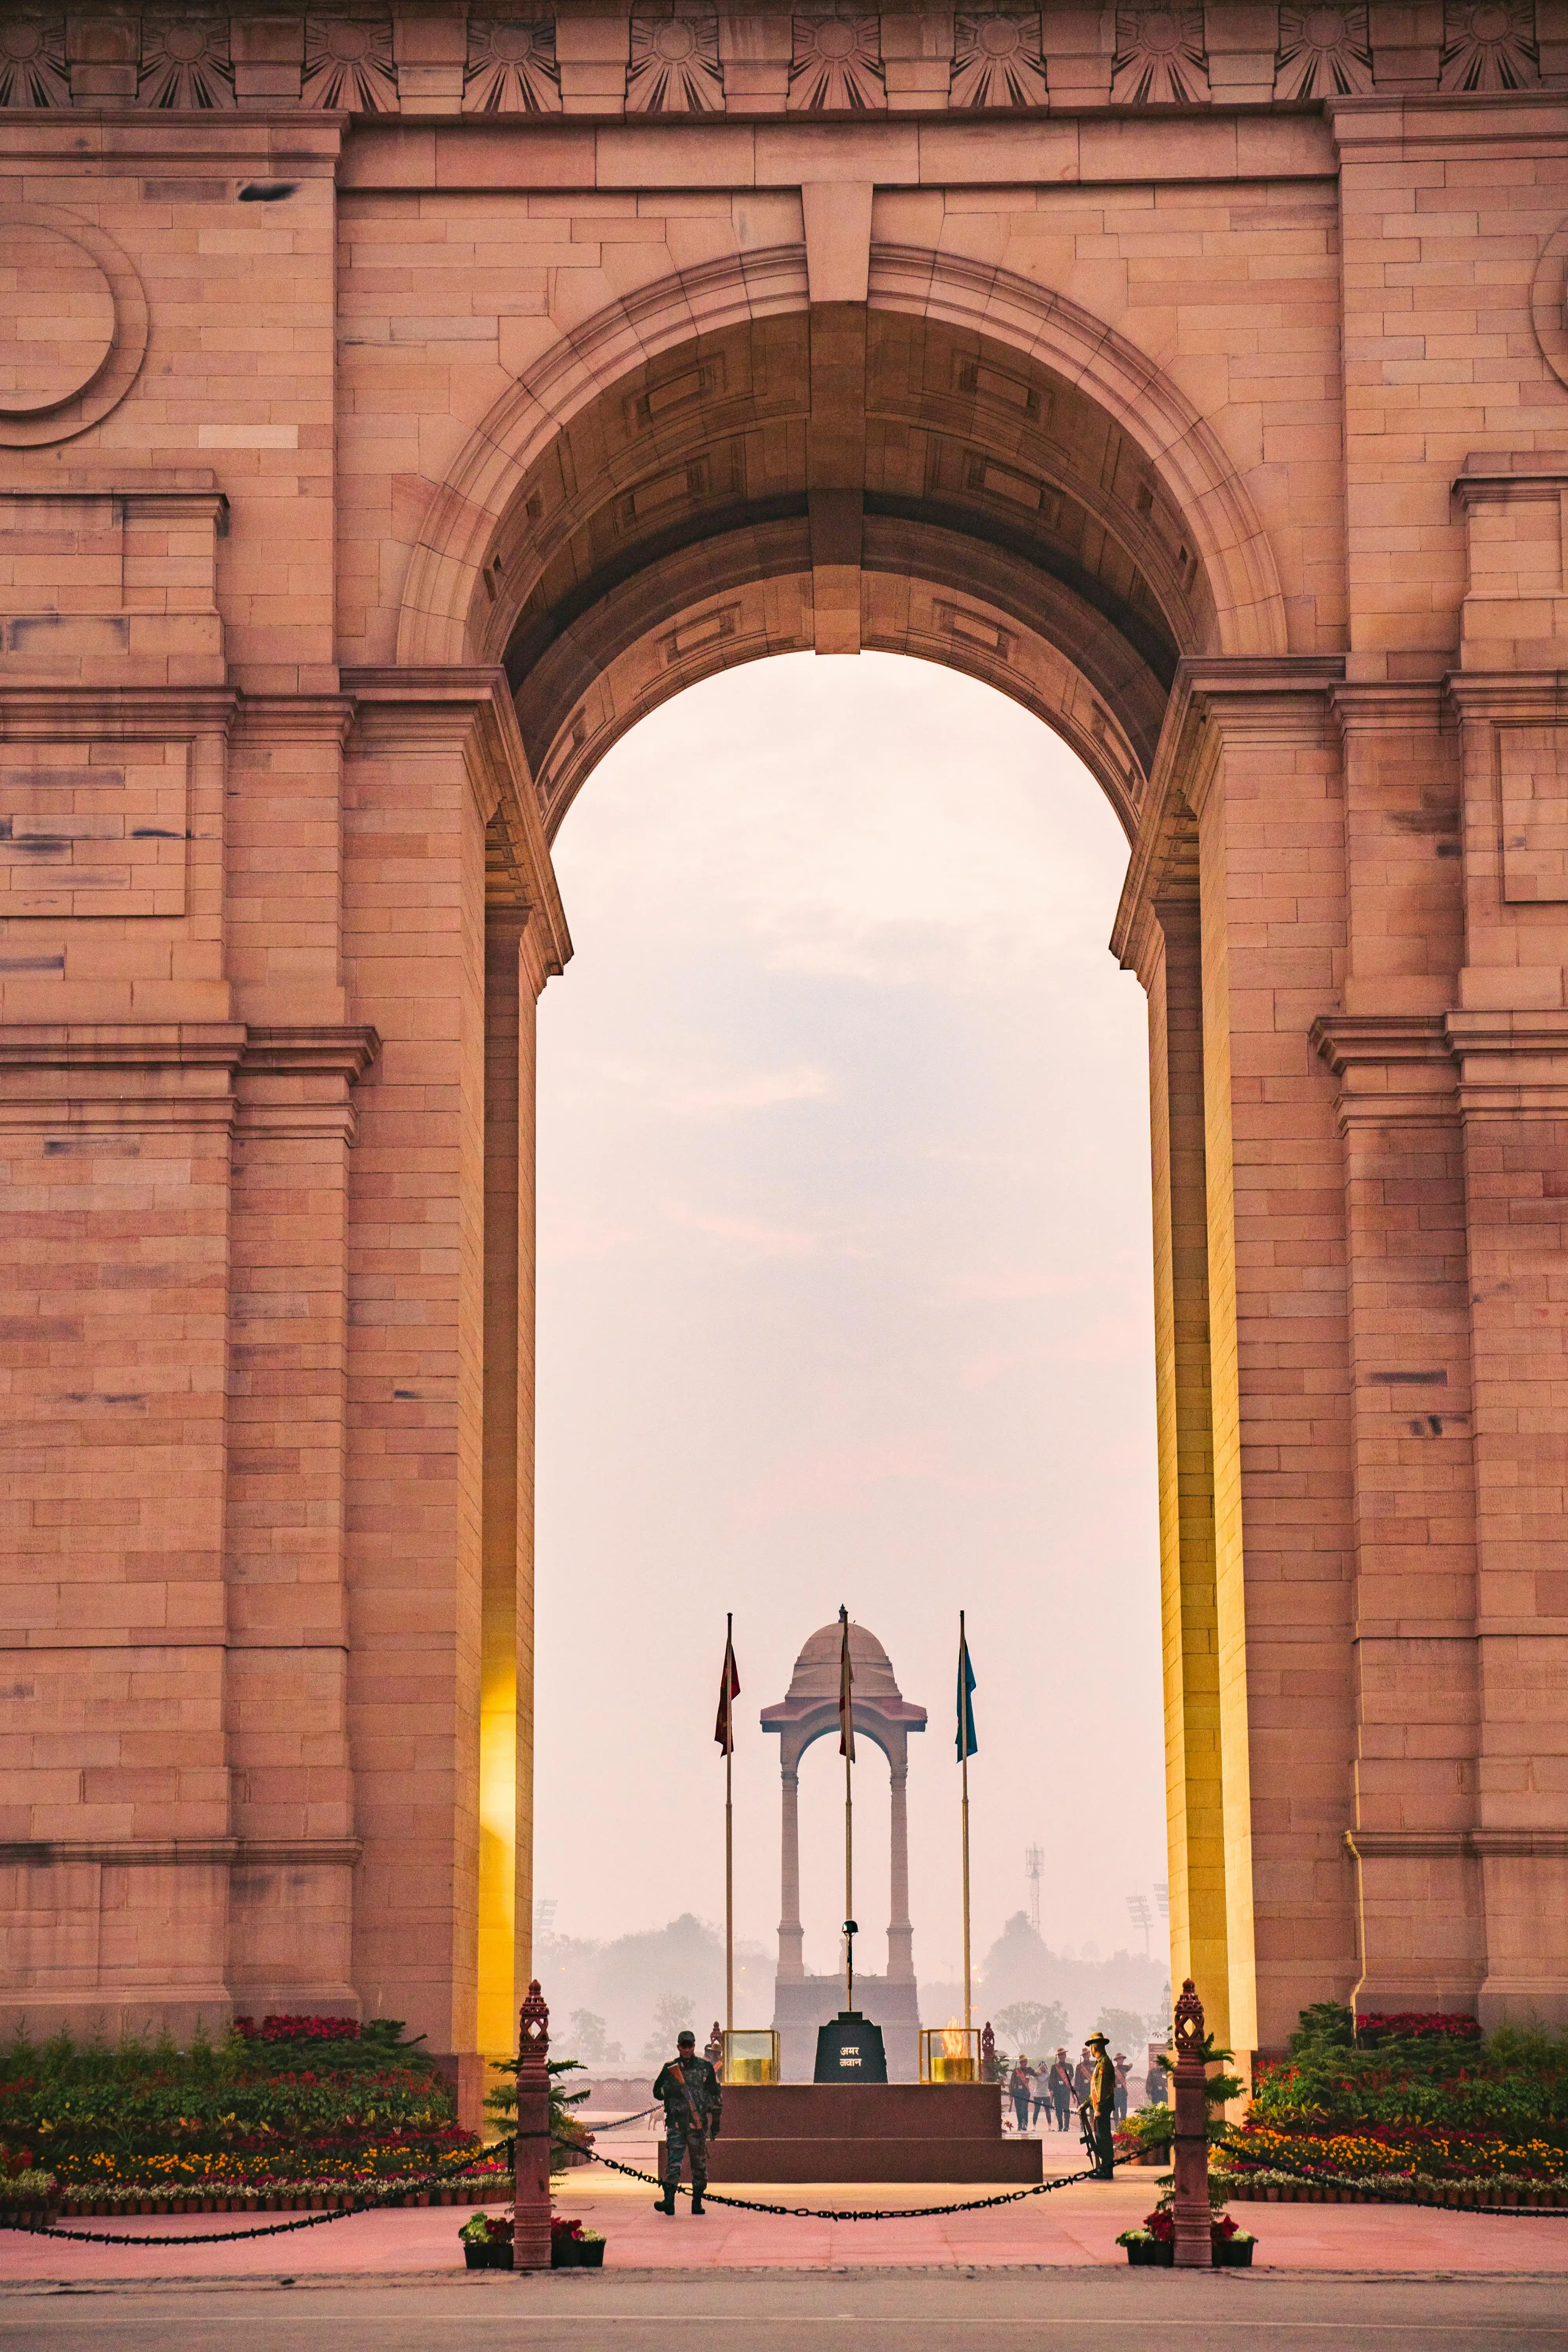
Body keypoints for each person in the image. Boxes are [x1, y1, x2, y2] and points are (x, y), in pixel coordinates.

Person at [652, 2027, 722, 2216]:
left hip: (697, 2126)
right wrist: (671, 2091)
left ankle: (697, 2203)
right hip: (676, 2124)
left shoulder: (705, 2068)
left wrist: (716, 2122)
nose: (687, 2050)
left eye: (690, 2046)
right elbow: (657, 2092)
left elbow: (716, 2094)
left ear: (694, 2046)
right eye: (683, 2046)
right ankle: (669, 2201)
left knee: (699, 2167)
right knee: (673, 2166)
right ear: (678, 2047)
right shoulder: (670, 2069)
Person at [1082, 2029, 1116, 2179]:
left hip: (1102, 2108)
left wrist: (1099, 2108)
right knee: (1100, 2137)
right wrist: (1086, 2104)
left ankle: (1107, 2170)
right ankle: (1103, 2167)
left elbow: (1103, 2088)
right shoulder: (1100, 2063)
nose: (1090, 2049)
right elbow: (1095, 2089)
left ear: (1095, 2046)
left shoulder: (1104, 2064)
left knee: (1104, 2139)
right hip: (1098, 2107)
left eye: (1091, 2045)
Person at [1049, 2048, 1073, 2133]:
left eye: (1063, 2055)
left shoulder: (1069, 2066)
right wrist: (1051, 2089)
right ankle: (1060, 2125)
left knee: (1066, 2109)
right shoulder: (1054, 2067)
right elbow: (1051, 2079)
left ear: (1065, 2056)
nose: (1062, 2057)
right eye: (1060, 2055)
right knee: (1058, 2109)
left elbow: (1071, 2076)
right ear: (1058, 2057)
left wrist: (1065, 2081)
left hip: (1066, 2091)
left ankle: (1066, 2126)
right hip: (1057, 2091)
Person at [1007, 2056, 1032, 2133]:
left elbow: (1036, 2074)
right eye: (1023, 2062)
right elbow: (1012, 2083)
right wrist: (1011, 2094)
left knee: (1025, 2109)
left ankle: (1025, 2124)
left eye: (1025, 2062)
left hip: (1025, 2093)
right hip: (1017, 2093)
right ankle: (1020, 2124)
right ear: (1020, 2063)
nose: (1024, 2064)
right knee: (1019, 2110)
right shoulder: (1016, 2071)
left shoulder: (1029, 2070)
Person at [1114, 2051, 1130, 2122]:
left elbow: (1130, 2066)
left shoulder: (1125, 2068)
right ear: (1117, 2061)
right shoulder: (1113, 2069)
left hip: (1123, 2092)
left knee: (1124, 2110)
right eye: (1119, 2059)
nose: (1121, 2061)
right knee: (1116, 2109)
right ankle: (1117, 2126)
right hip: (1116, 2092)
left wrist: (1131, 2065)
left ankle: (1123, 2125)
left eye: (1122, 2059)